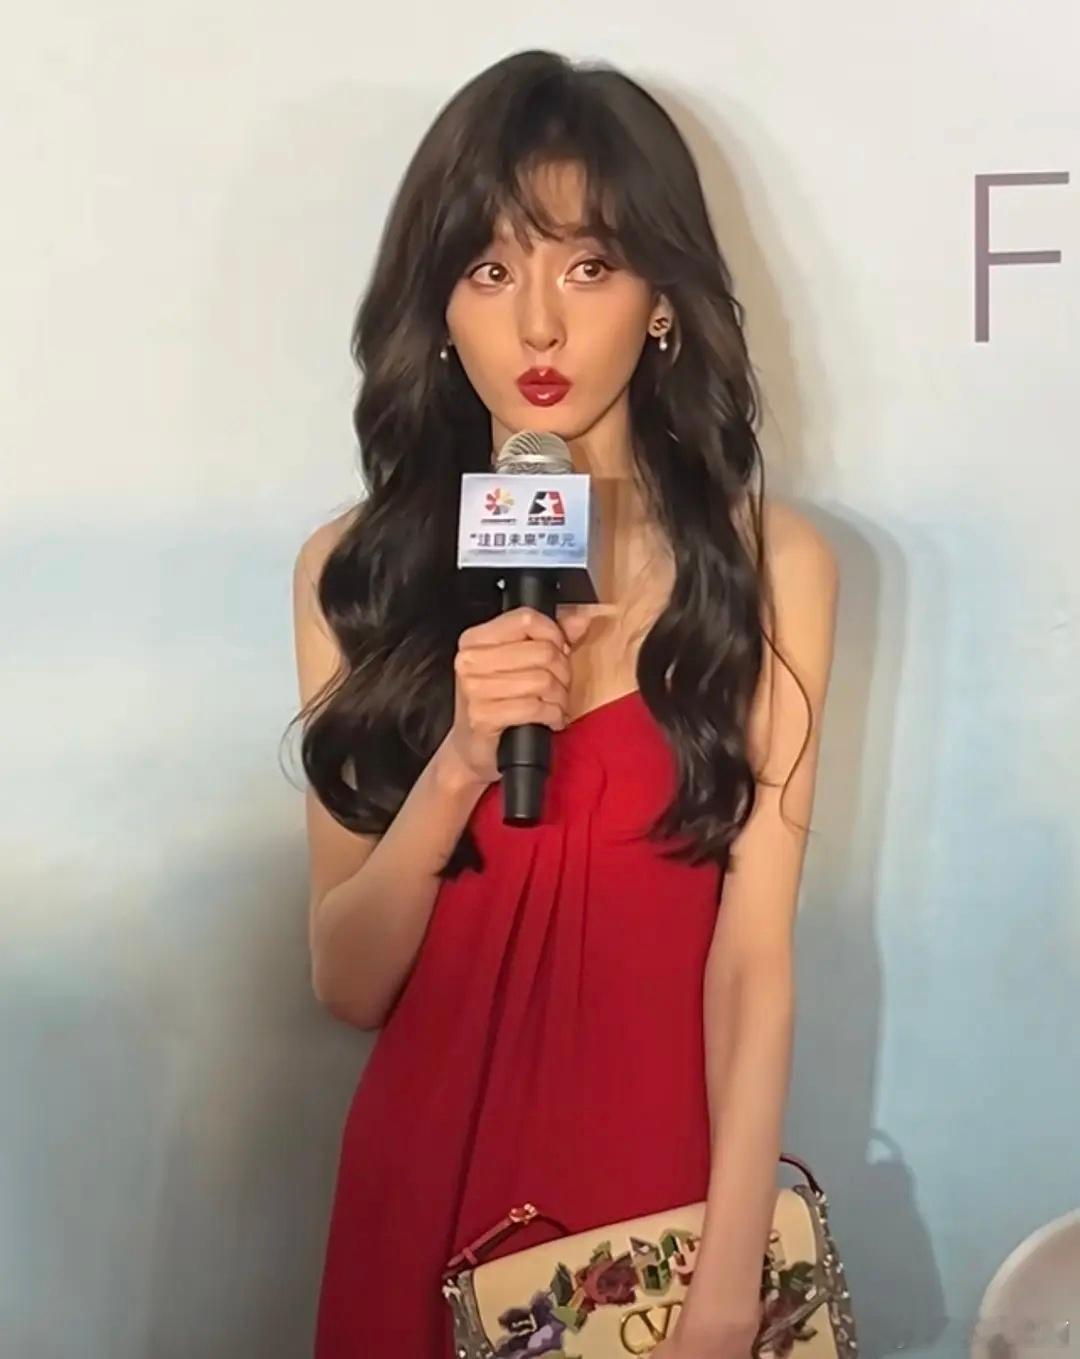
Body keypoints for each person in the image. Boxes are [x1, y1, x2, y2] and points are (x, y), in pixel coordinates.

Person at [288, 48, 839, 1359]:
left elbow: (753, 960)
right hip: (420, 1190)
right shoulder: (352, 573)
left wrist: (725, 1276)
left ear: (663, 301)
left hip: (653, 1208)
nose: (539, 326)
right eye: (490, 272)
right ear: (437, 308)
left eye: (588, 266)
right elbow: (348, 982)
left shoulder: (770, 568)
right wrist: (462, 761)